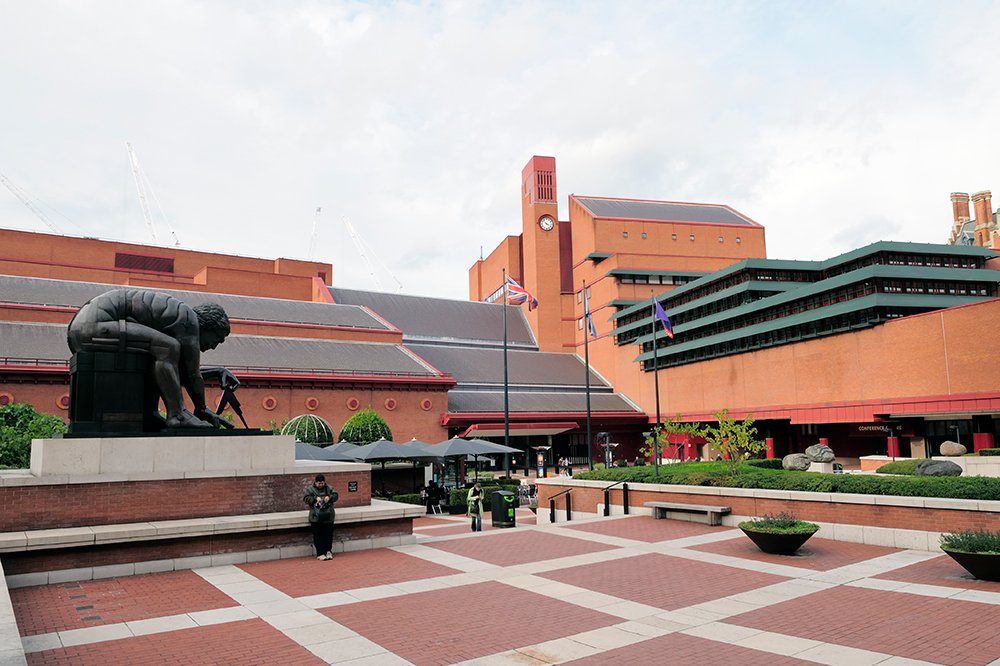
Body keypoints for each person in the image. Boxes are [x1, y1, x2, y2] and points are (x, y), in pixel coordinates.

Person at [67, 288, 236, 428]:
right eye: (217, 339)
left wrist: (217, 372)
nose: (214, 346)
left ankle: (149, 415)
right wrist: (202, 408)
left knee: (159, 355)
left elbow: (177, 372)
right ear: (209, 326)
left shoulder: (178, 317)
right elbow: (191, 374)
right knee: (167, 348)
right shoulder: (189, 320)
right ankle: (177, 415)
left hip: (82, 331)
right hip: (91, 329)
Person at [304, 474, 338, 560]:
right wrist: (315, 499)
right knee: (318, 536)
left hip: (328, 516)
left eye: (322, 483)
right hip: (316, 517)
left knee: (328, 535)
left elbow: (336, 496)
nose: (321, 485)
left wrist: (329, 497)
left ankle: (328, 551)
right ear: (315, 482)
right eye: (319, 483)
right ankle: (320, 553)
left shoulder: (329, 488)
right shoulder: (310, 489)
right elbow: (306, 499)